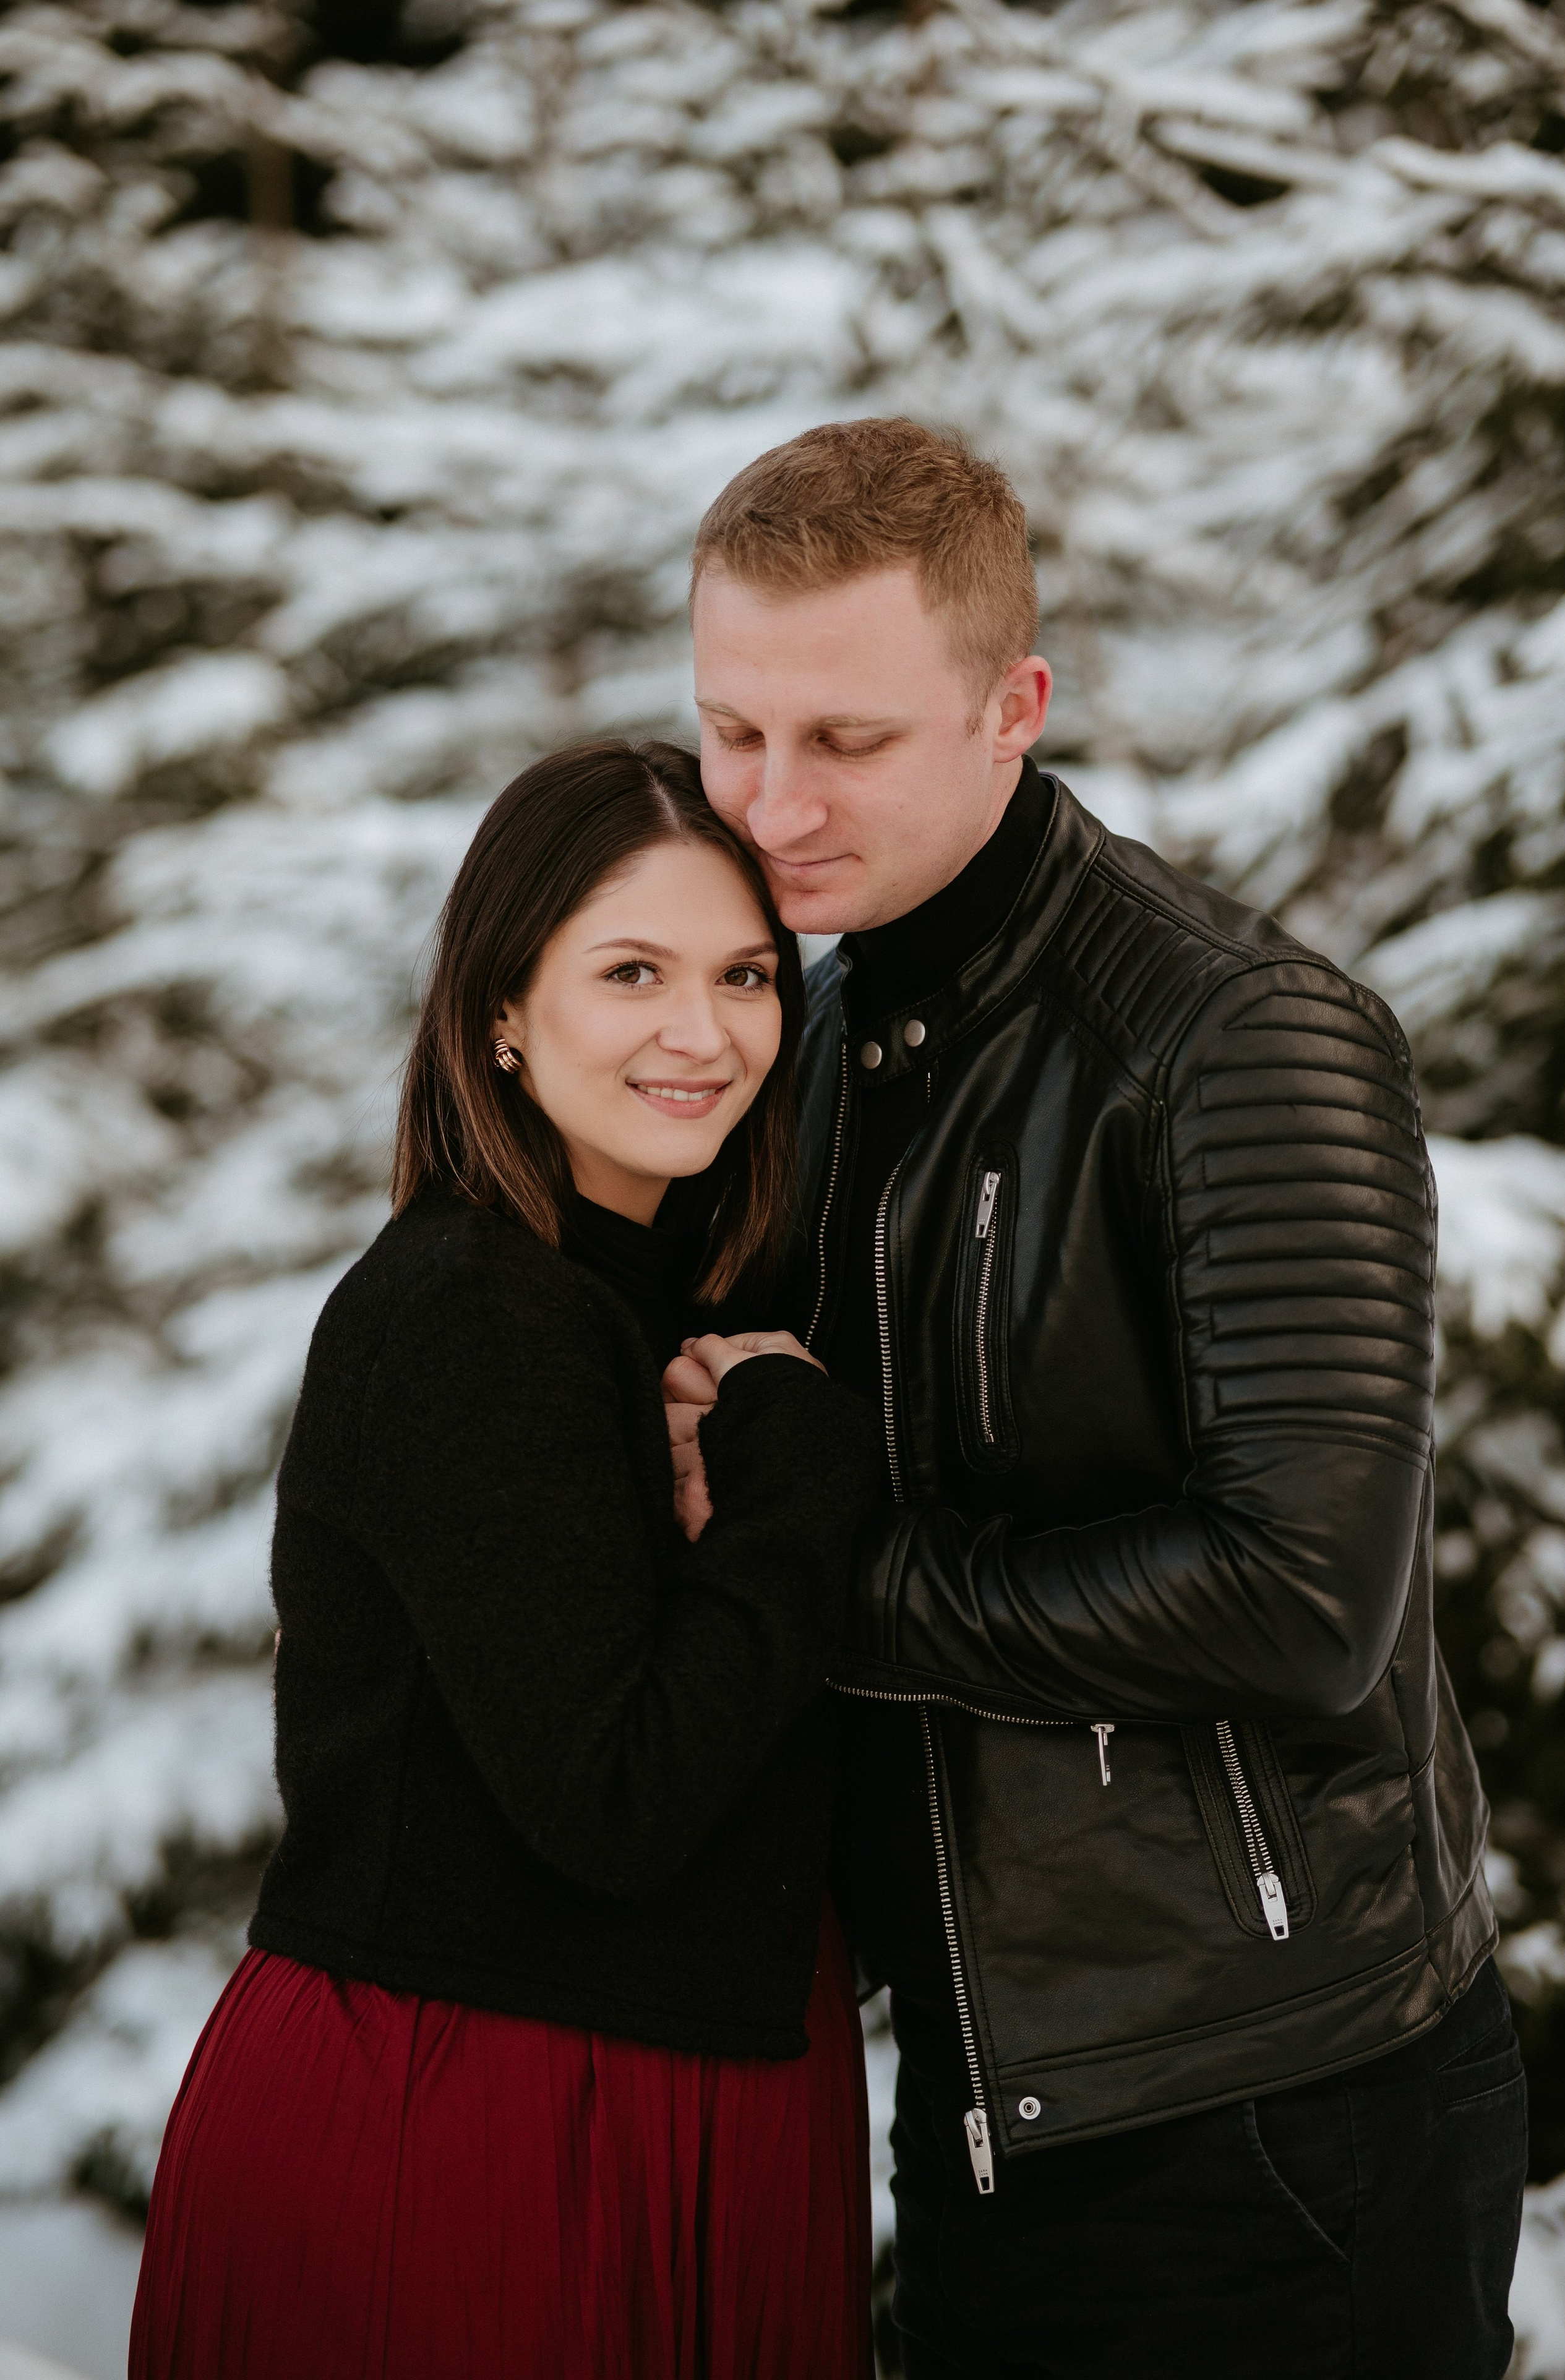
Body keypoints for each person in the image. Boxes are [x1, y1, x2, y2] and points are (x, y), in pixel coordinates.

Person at [667, 420, 1528, 2380]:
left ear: (1011, 708)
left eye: (846, 742)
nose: (770, 803)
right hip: (996, 2093)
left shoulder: (1233, 1040)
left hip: (1266, 2112)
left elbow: (1307, 1602)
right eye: (733, 732)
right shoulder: (812, 1025)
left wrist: (830, 1577)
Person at [129, 740, 881, 2380]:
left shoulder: (653, 1308)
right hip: (484, 2132)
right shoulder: (478, 1316)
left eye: (747, 976)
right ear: (500, 1013)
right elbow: (617, 1796)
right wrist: (795, 1469)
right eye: (633, 972)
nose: (704, 1032)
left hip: (658, 2105)